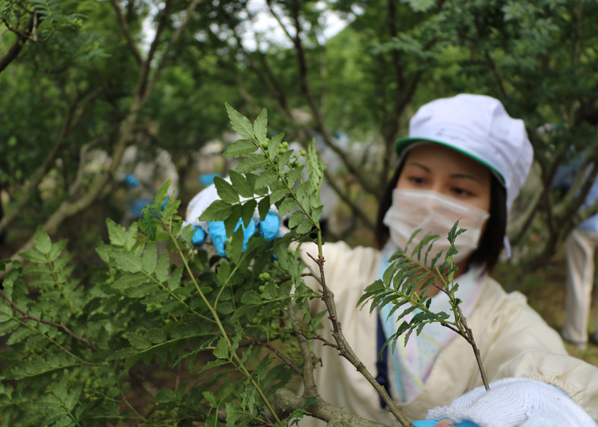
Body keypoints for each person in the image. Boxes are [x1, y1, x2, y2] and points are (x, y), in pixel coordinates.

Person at [187, 94, 598, 426]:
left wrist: (536, 400)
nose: (432, 201)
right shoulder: (341, 272)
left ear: (494, 216)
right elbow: (273, 265)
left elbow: (544, 373)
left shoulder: (501, 319)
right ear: (394, 186)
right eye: (418, 180)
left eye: (460, 190)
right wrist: (229, 215)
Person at [552, 151, 598, 349]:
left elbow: (559, 177)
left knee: (580, 280)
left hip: (584, 223)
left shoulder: (583, 148)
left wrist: (568, 189)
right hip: (586, 223)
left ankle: (576, 336)